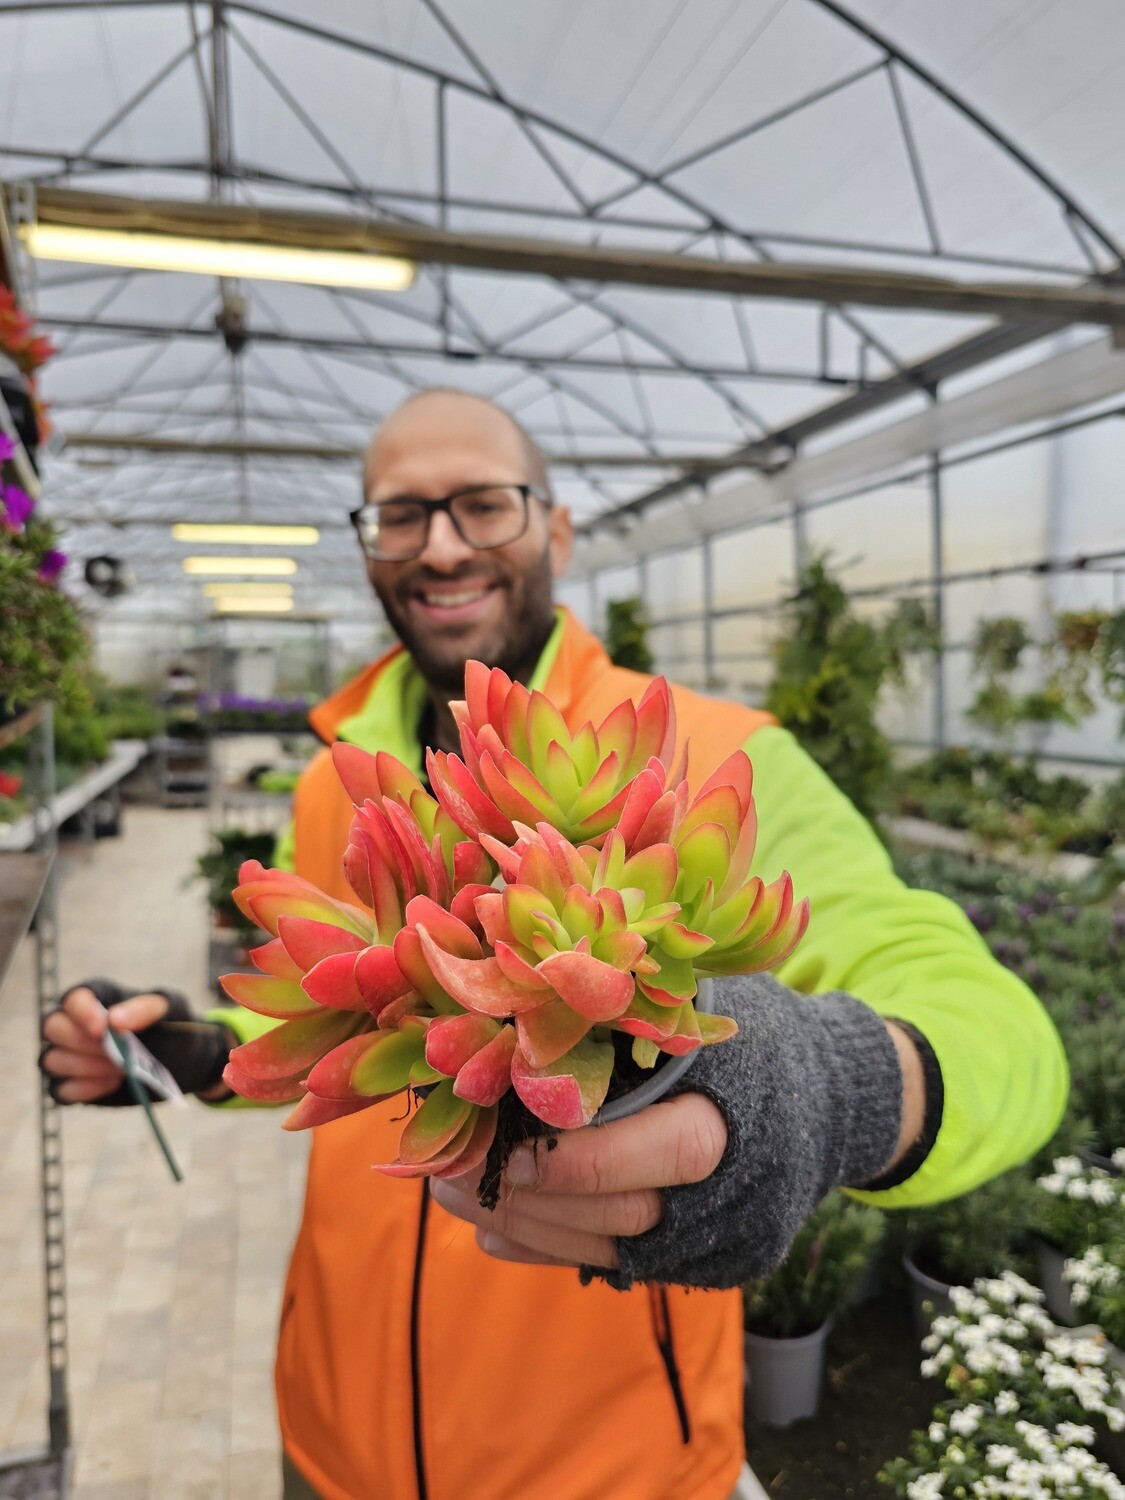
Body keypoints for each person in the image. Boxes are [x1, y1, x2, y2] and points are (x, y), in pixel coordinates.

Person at [41, 390, 1068, 1500]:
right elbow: (365, 1021)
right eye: (400, 515)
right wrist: (205, 1051)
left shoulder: (716, 759)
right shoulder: (340, 780)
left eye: (483, 505)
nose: (440, 545)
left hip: (610, 1466)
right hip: (334, 1436)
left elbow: (1006, 1035)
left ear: (557, 530)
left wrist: (845, 1086)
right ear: (370, 546)